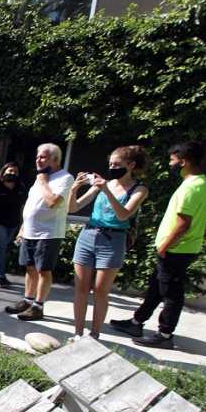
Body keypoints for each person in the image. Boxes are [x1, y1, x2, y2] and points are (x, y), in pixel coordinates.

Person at [111, 141, 206, 349]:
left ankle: (165, 335)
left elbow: (184, 224)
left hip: (176, 250)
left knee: (171, 294)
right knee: (156, 288)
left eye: (172, 160)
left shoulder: (193, 187)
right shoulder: (199, 183)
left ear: (183, 162)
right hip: (176, 249)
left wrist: (165, 246)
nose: (170, 163)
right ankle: (136, 322)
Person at [68, 146, 149, 340]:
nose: (112, 167)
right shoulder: (103, 184)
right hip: (88, 235)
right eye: (110, 164)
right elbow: (74, 207)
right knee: (81, 288)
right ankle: (77, 333)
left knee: (101, 290)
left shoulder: (139, 189)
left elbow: (124, 215)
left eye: (117, 164)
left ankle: (95, 334)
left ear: (131, 165)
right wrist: (74, 188)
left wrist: (106, 190)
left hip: (113, 239)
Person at [4, 144, 73, 322]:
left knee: (43, 269)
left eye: (42, 157)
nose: (38, 160)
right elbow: (32, 203)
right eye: (37, 156)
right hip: (30, 231)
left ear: (55, 160)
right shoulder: (41, 177)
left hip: (48, 233)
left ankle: (38, 306)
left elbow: (52, 202)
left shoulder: (65, 178)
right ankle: (27, 300)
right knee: (29, 267)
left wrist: (43, 181)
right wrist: (23, 227)